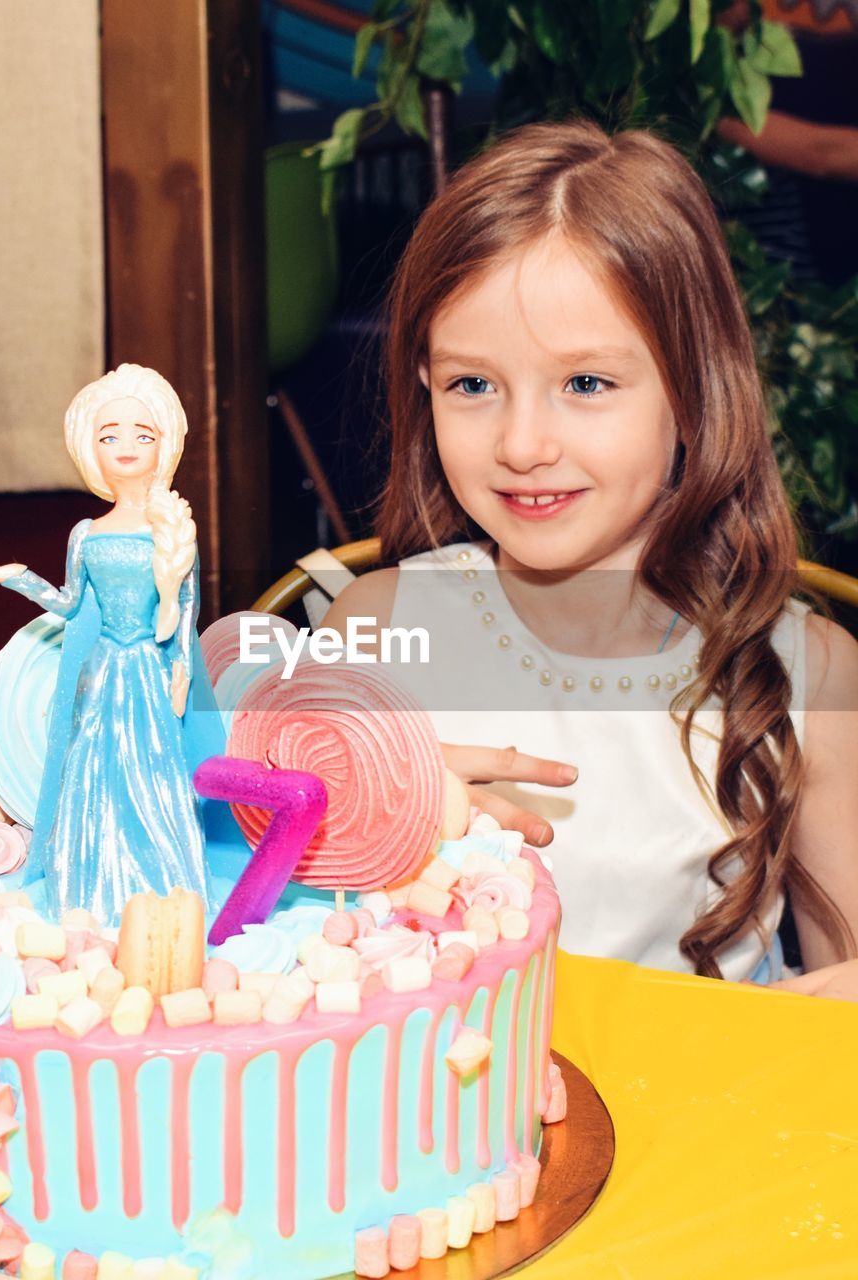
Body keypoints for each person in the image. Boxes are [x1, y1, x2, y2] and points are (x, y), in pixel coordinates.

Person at [324, 120, 858, 995]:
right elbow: (264, 924)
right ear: (425, 386)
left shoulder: (812, 678)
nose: (523, 444)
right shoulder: (377, 632)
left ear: (695, 390)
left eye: (585, 384)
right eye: (473, 385)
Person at [0, 363, 219, 926]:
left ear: (165, 446)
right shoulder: (87, 533)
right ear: (90, 449)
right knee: (94, 777)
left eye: (142, 434)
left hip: (152, 677)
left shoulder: (174, 531)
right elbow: (71, 603)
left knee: (153, 778)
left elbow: (188, 614)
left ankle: (159, 890)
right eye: (109, 435)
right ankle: (92, 889)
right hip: (101, 674)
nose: (125, 446)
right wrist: (19, 577)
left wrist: (179, 670)